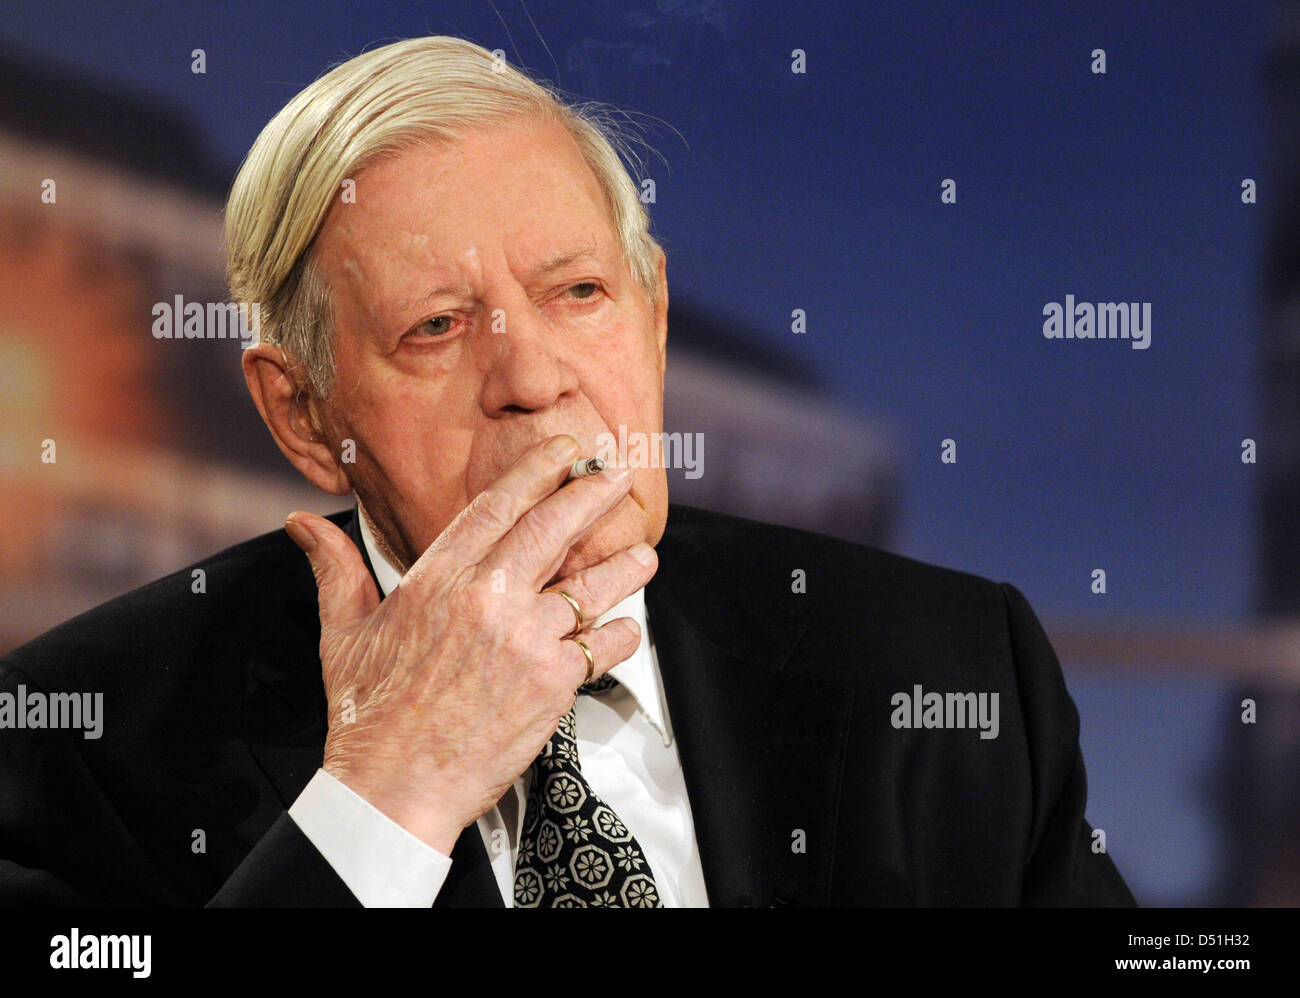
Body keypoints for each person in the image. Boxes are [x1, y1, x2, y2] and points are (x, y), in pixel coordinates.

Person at [0, 35, 1134, 907]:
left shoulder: (948, 665)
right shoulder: (81, 745)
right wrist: (390, 790)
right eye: (438, 326)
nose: (533, 378)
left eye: (579, 293)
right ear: (300, 413)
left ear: (652, 319)